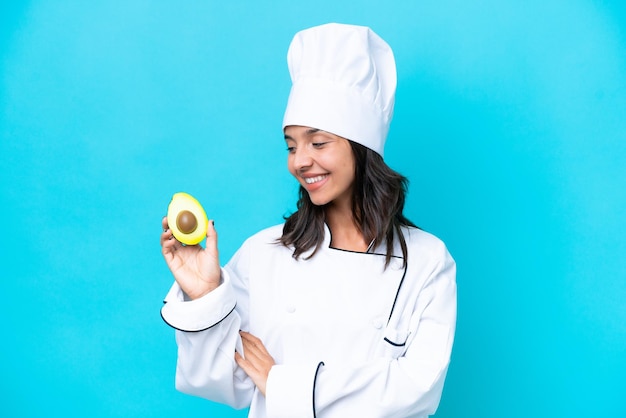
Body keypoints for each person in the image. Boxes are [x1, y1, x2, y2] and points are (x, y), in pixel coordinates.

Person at [160, 23, 457, 418]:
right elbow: (222, 382)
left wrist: (284, 384)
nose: (300, 161)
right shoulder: (264, 253)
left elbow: (417, 389)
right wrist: (206, 295)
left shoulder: (426, 261)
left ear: (361, 146)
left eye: (318, 143)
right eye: (291, 145)